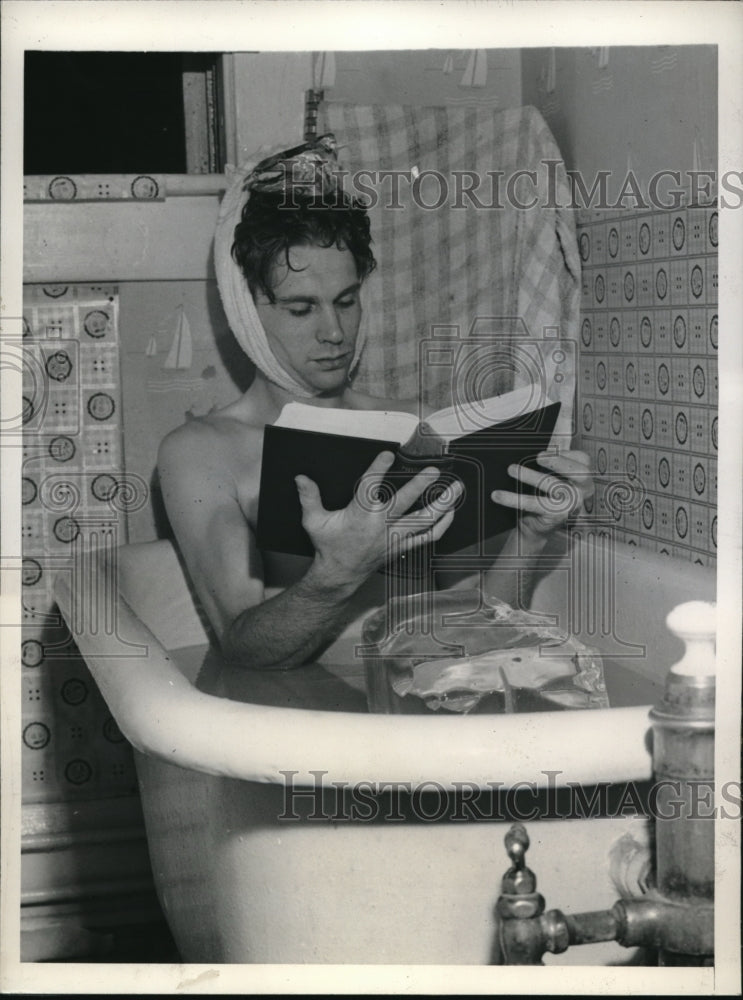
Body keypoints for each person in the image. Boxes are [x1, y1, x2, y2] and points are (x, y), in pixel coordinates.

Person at [158, 136, 593, 671]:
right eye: (301, 309)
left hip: (415, 693)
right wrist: (337, 574)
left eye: (346, 301)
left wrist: (531, 534)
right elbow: (243, 648)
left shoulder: (416, 426)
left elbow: (477, 628)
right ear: (246, 311)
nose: (334, 332)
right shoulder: (201, 452)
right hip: (291, 710)